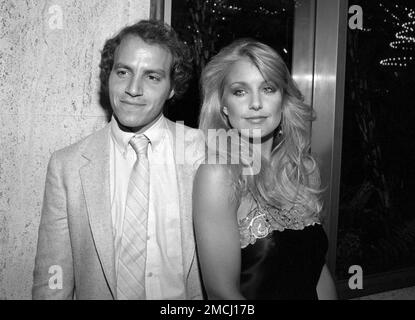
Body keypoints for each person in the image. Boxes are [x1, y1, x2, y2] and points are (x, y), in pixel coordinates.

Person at [32, 20, 205, 300]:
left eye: (152, 77)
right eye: (123, 72)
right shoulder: (67, 166)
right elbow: (53, 278)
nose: (133, 89)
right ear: (108, 75)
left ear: (173, 87)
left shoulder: (204, 151)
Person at [193, 39, 338, 300]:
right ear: (224, 106)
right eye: (240, 91)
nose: (256, 103)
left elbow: (316, 269)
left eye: (268, 88)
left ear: (283, 100)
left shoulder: (302, 169)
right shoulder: (218, 175)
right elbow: (221, 293)